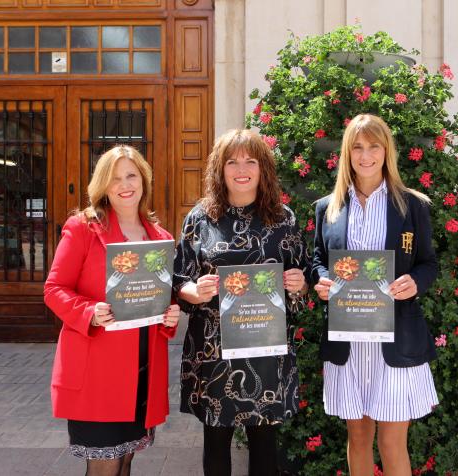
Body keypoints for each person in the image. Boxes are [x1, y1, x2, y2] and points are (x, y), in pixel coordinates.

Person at [173, 129, 311, 476]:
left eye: (250, 160)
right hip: (213, 351)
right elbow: (177, 281)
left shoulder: (284, 220)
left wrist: (299, 284)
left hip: (266, 349)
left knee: (265, 446)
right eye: (231, 162)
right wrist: (194, 291)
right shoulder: (200, 219)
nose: (241, 169)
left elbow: (302, 278)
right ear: (219, 169)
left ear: (263, 167)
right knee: (215, 445)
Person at [313, 114, 439, 476]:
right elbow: (319, 259)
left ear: (386, 151)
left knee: (392, 441)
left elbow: (428, 263)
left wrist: (415, 282)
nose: (365, 156)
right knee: (358, 436)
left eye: (373, 147)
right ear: (347, 154)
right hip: (348, 341)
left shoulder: (412, 205)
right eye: (357, 147)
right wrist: (321, 280)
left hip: (396, 339)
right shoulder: (328, 208)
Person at [44, 145, 180, 476]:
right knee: (105, 464)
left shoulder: (158, 237)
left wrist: (169, 315)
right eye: (115, 178)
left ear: (143, 180)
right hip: (97, 373)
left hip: (141, 372)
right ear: (103, 185)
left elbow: (159, 298)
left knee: (126, 459)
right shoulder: (82, 228)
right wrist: (88, 311)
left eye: (131, 175)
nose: (124, 184)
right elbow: (53, 289)